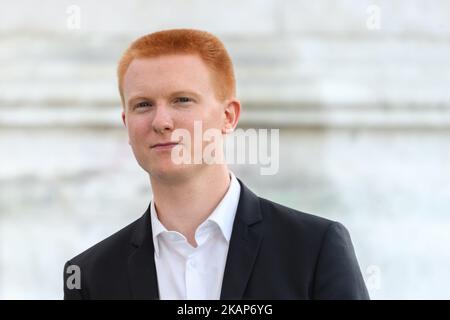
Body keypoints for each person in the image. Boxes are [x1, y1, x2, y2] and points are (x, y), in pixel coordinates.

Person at [63, 29, 369, 300]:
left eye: (182, 100)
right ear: (126, 122)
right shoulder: (90, 276)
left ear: (229, 116)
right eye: (143, 104)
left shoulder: (314, 249)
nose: (161, 122)